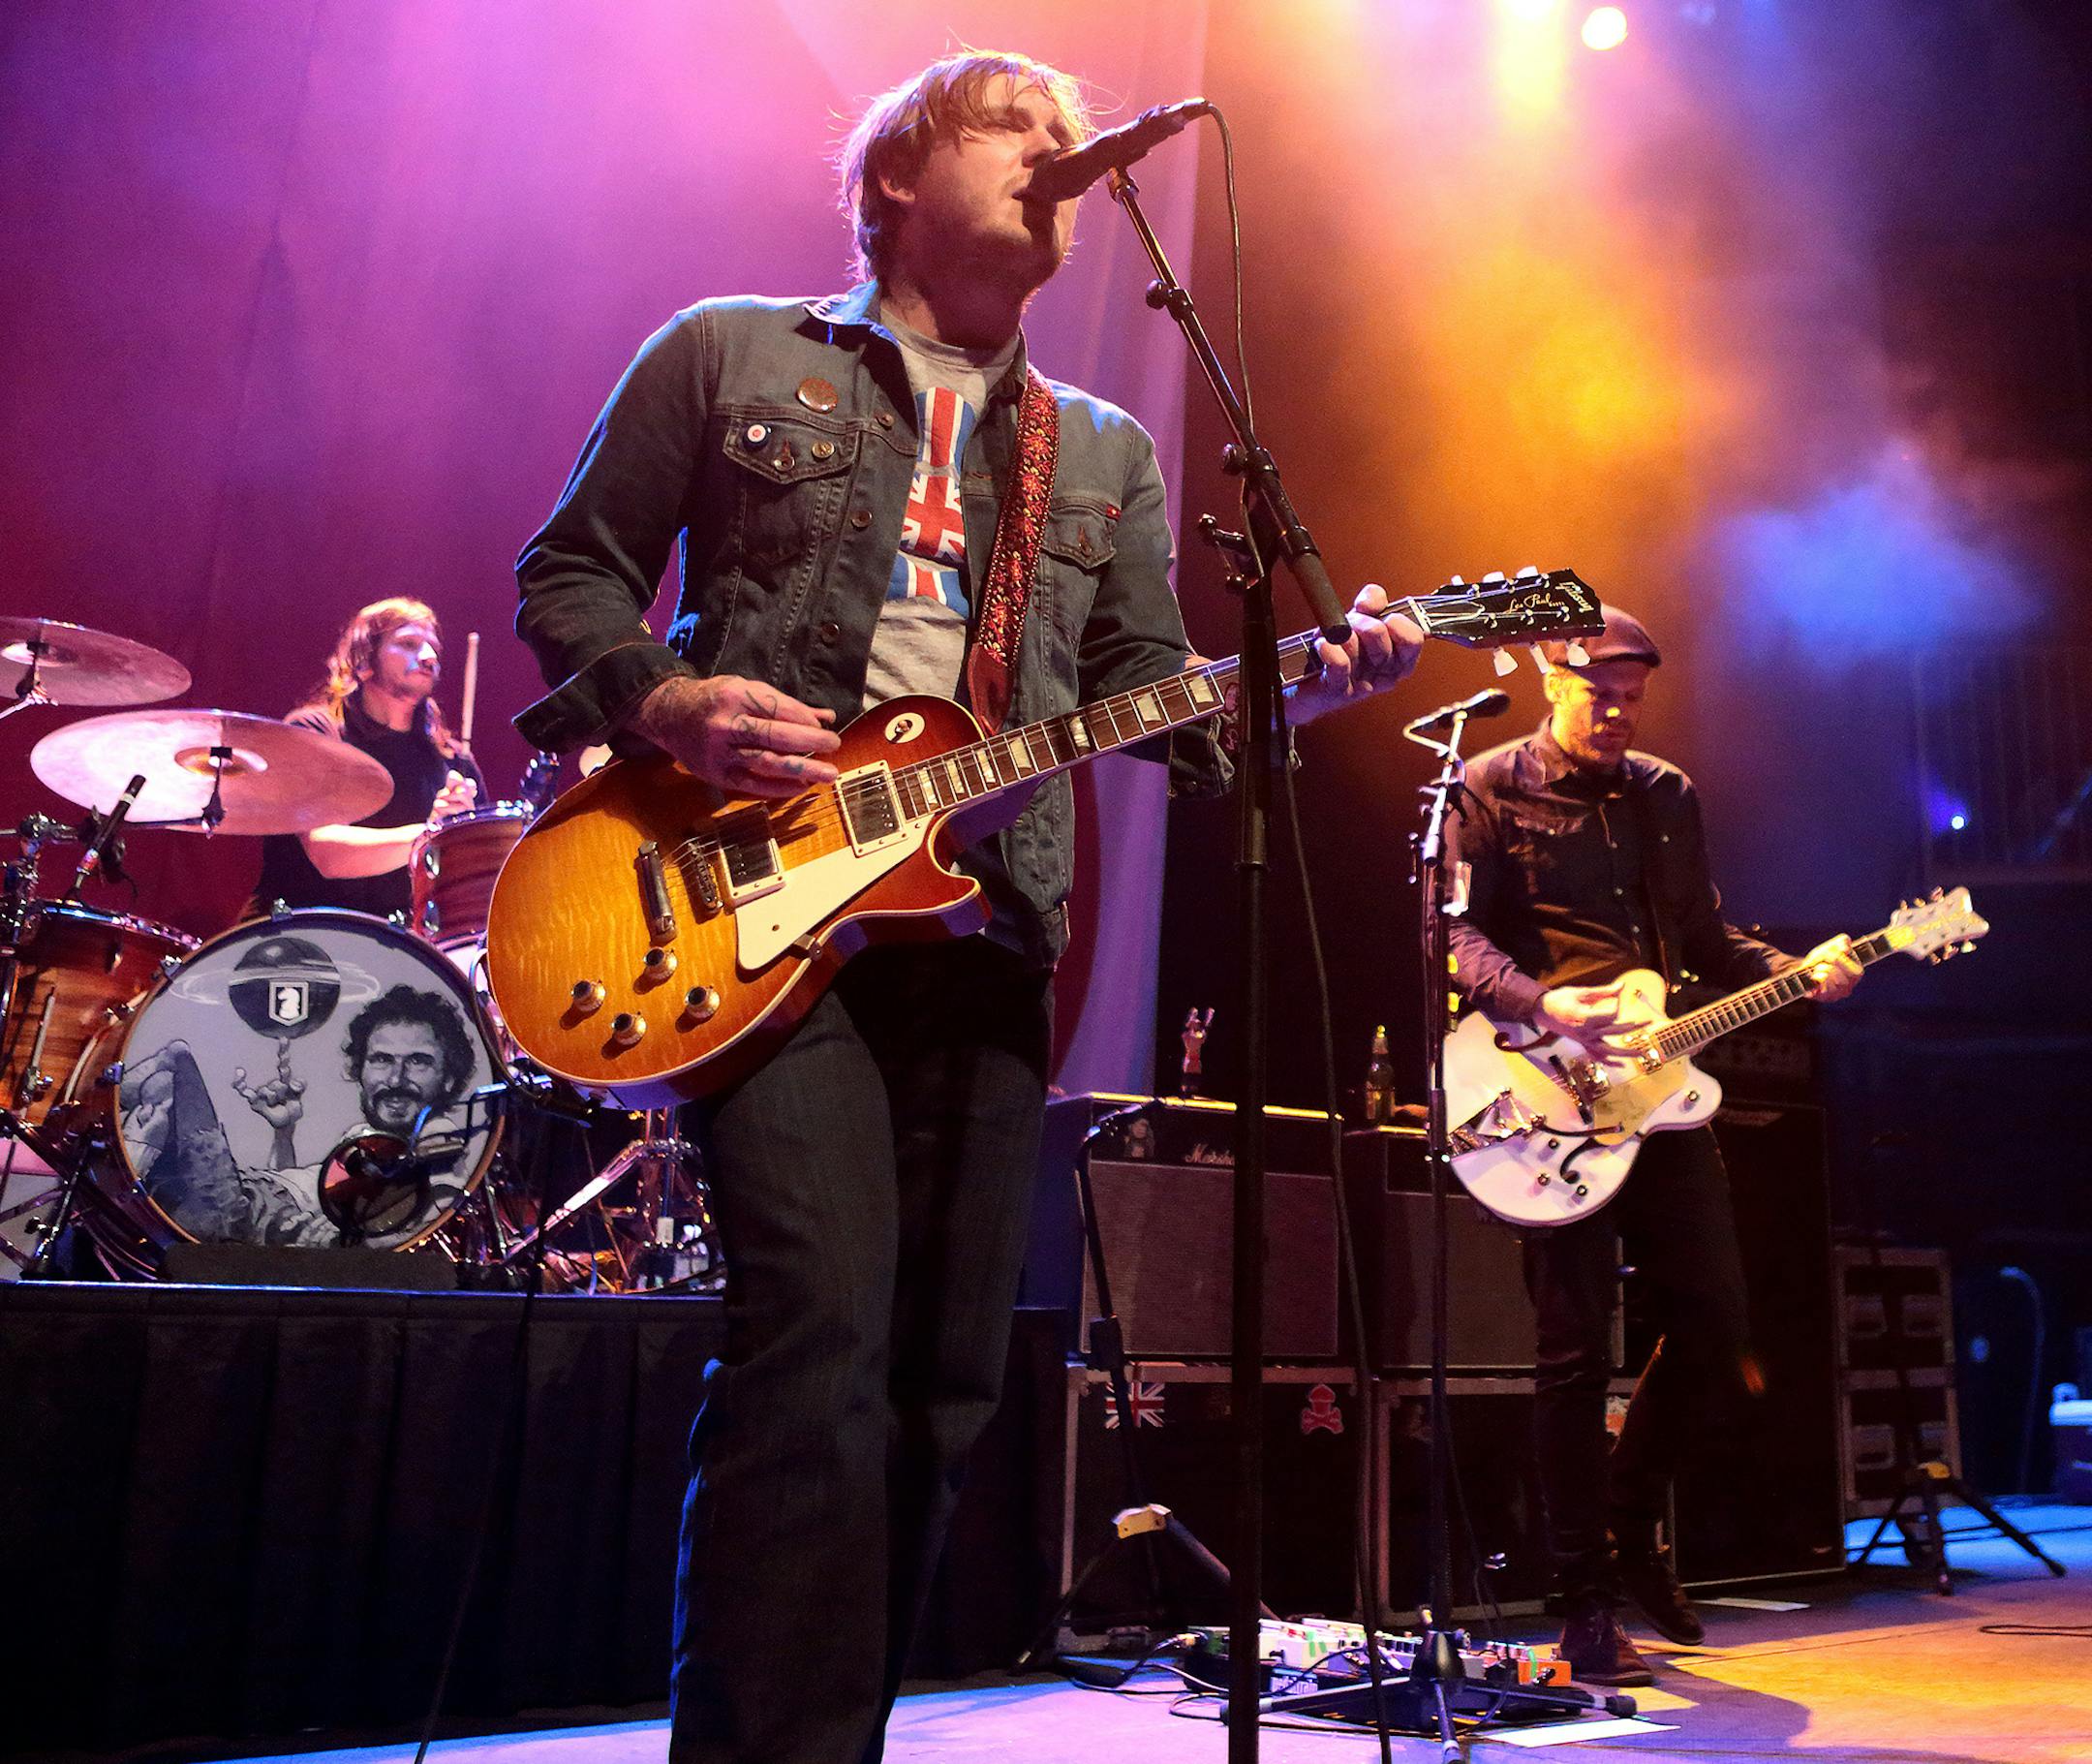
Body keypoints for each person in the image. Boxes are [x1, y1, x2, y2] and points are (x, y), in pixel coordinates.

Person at [509, 50, 1421, 1764]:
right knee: (821, 1336)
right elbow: (569, 568)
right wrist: (663, 698)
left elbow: (1171, 705)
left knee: (942, 1385)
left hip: (988, 922)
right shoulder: (730, 351)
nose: (1062, 158)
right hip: (750, 906)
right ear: (896, 177)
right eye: (1017, 129)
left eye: (1072, 141)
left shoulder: (1104, 450)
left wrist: (1302, 686)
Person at [1444, 604, 1862, 1686]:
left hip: (1663, 1093)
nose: (1618, 710)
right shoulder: (1488, 784)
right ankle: (1582, 1602)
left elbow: (1708, 942)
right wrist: (1546, 1005)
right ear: (1553, 675)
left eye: (1633, 694)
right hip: (1547, 1094)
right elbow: (1454, 936)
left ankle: (1628, 1530)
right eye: (1598, 692)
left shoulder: (1668, 796)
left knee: (1719, 1321)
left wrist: (1800, 967)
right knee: (1574, 1355)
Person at [119, 983, 485, 1247]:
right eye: (381, 1060)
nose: (395, 1079)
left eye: (418, 1062)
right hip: (249, 1199)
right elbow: (300, 1196)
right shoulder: (365, 1139)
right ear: (361, 1069)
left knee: (176, 1069)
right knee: (159, 1097)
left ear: (449, 1075)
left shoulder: (438, 1140)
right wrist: (284, 1135)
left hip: (233, 1214)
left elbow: (388, 1241)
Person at [248, 598, 482, 921]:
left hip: (399, 947)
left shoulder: (454, 763)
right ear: (364, 658)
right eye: (409, 644)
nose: (428, 658)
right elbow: (327, 854)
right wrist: (432, 834)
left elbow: (475, 885)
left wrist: (466, 839)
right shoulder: (315, 732)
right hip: (299, 934)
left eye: (434, 650)